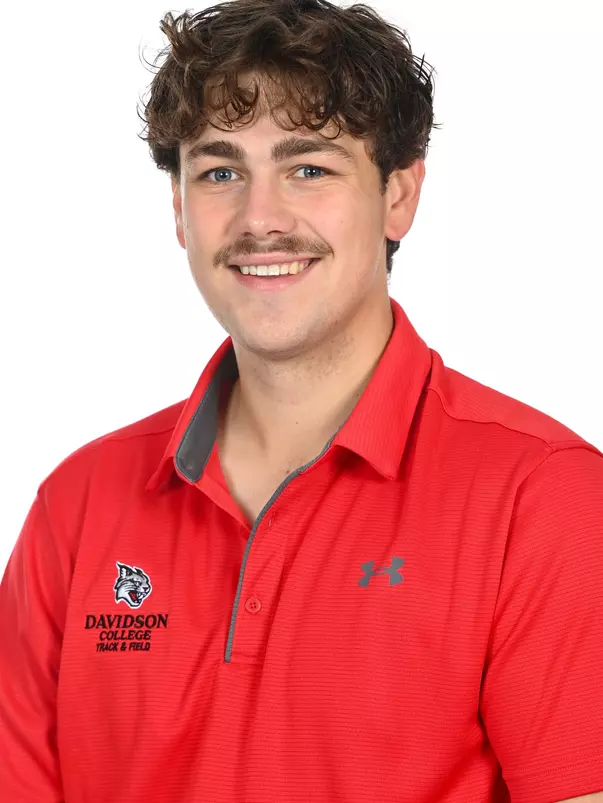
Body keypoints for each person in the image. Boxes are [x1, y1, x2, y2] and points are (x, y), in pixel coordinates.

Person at [1, 0, 602, 800]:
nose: (259, 218)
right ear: (180, 210)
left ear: (398, 196)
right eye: (220, 171)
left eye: (307, 168)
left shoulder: (545, 497)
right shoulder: (77, 506)